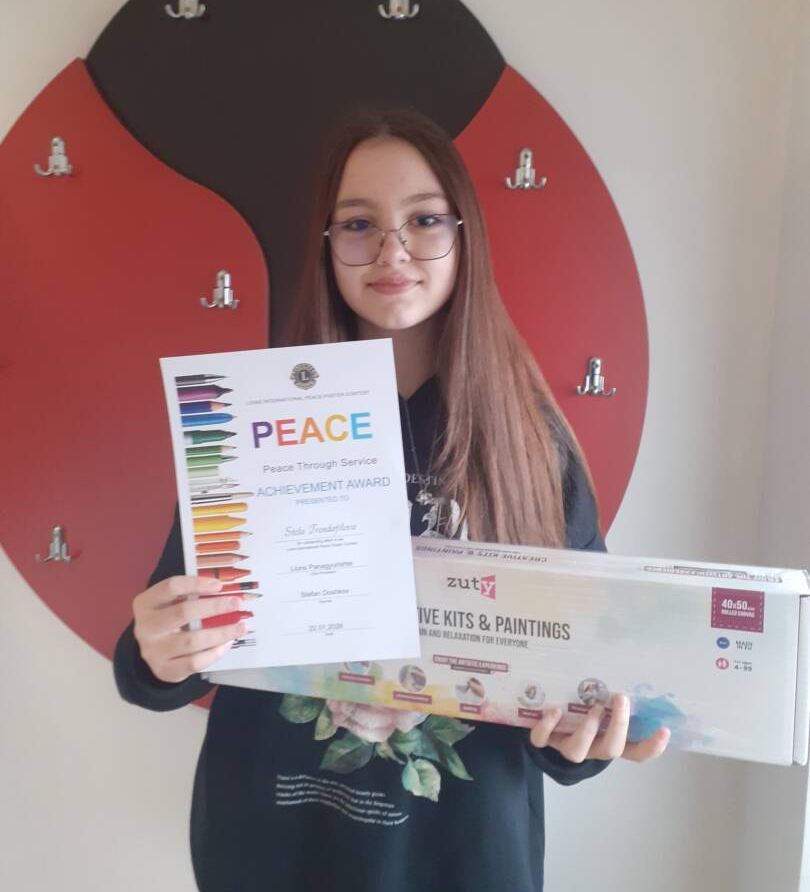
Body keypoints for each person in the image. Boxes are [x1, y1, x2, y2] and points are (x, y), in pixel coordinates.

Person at [114, 108, 669, 892]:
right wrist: (156, 655)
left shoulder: (532, 442)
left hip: (464, 862)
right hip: (272, 850)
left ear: (465, 236)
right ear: (326, 245)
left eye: (424, 220)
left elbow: (577, 692)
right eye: (358, 224)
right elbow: (157, 661)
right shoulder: (256, 419)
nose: (392, 250)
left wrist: (588, 740)